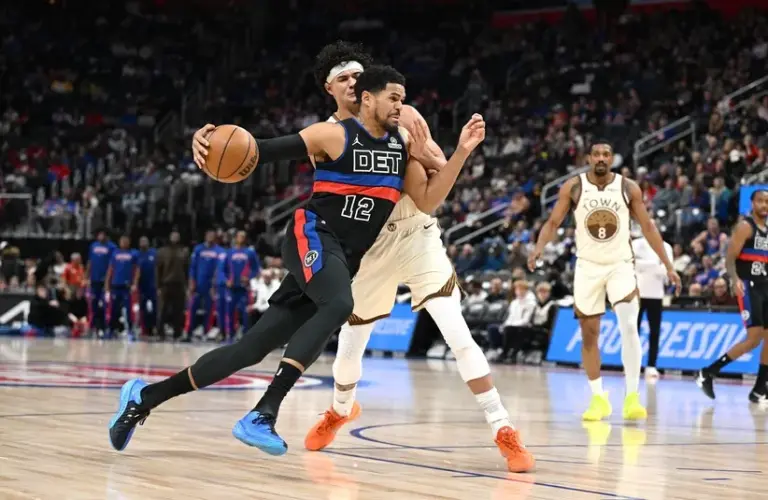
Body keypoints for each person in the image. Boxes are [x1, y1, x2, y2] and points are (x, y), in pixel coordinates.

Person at [108, 65, 486, 457]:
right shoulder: (333, 134)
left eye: (401, 99)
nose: (398, 105)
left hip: (340, 259)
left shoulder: (402, 141)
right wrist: (207, 138)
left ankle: (143, 398)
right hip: (313, 234)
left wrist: (459, 151)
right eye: (391, 97)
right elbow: (259, 150)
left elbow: (428, 200)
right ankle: (263, 413)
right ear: (359, 96)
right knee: (340, 304)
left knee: (250, 349)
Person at [260, 42, 531, 472]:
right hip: (368, 247)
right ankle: (340, 409)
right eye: (343, 78)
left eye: (357, 75)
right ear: (331, 88)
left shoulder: (403, 116)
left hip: (416, 235)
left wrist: (429, 152)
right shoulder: (325, 135)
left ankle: (503, 427)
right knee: (349, 350)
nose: (352, 83)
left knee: (458, 333)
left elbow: (436, 170)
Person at [528, 141, 682, 422]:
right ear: (589, 158)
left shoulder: (628, 188)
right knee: (589, 334)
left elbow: (648, 226)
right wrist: (539, 247)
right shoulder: (574, 187)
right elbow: (553, 223)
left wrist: (668, 265)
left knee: (629, 326)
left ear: (612, 159)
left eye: (606, 154)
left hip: (620, 265)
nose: (601, 158)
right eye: (596, 154)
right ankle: (598, 398)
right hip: (587, 267)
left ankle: (632, 397)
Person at [695, 190, 768, 403]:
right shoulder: (745, 226)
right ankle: (708, 372)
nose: (764, 205)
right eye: (760, 201)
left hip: (764, 286)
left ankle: (759, 389)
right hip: (748, 286)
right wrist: (734, 279)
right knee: (753, 339)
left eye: (767, 202)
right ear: (752, 203)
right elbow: (730, 258)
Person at [630, 222, 673, 381]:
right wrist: (654, 265)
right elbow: (629, 265)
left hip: (656, 295)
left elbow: (666, 271)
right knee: (633, 331)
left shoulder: (665, 247)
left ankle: (651, 365)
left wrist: (643, 266)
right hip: (637, 294)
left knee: (654, 331)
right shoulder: (635, 244)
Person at [224, 231, 261, 339]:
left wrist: (248, 277)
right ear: (236, 238)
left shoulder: (250, 252)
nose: (241, 238)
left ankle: (245, 335)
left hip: (244, 288)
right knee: (230, 311)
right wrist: (226, 280)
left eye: (243, 236)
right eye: (239, 236)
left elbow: (256, 269)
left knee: (245, 312)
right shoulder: (229, 252)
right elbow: (223, 270)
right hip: (232, 288)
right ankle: (230, 335)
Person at [156, 231, 190, 340]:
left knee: (178, 310)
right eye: (173, 236)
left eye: (177, 236)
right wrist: (158, 286)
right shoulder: (162, 251)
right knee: (162, 310)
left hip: (179, 284)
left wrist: (187, 285)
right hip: (165, 284)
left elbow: (187, 270)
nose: (175, 238)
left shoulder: (184, 251)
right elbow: (158, 270)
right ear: (170, 238)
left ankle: (177, 333)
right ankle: (160, 333)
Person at [186, 230, 220, 337]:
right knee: (192, 307)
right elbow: (193, 267)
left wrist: (215, 284)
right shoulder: (198, 249)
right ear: (205, 236)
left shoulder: (219, 250)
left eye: (212, 235)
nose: (210, 237)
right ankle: (189, 331)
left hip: (211, 285)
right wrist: (191, 282)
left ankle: (206, 331)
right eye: (209, 235)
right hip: (198, 283)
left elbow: (219, 268)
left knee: (209, 309)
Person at [105, 235, 138, 338]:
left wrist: (135, 283)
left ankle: (130, 331)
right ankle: (111, 330)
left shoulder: (133, 253)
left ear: (129, 242)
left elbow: (137, 270)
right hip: (115, 285)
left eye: (125, 241)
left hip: (127, 286)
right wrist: (107, 284)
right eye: (122, 241)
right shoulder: (115, 253)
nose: (123, 242)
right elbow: (110, 269)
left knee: (128, 310)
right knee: (114, 309)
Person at [85, 229, 115, 337]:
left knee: (105, 304)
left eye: (102, 234)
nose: (100, 236)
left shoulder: (112, 247)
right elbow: (90, 262)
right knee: (93, 303)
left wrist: (108, 280)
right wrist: (86, 277)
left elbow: (112, 265)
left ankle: (105, 326)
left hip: (105, 281)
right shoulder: (93, 246)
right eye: (99, 234)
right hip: (94, 279)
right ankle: (93, 326)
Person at [136, 236, 158, 338]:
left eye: (145, 241)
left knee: (155, 308)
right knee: (142, 308)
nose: (143, 243)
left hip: (153, 285)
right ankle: (144, 329)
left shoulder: (154, 253)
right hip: (142, 286)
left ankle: (154, 328)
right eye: (141, 241)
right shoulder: (137, 255)